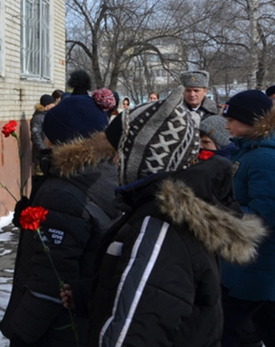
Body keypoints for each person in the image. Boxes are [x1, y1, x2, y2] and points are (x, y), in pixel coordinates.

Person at [82, 87, 266, 347]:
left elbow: (134, 333)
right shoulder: (166, 212)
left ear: (142, 157)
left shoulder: (159, 226)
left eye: (120, 152)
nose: (114, 162)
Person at [0, 92, 121, 347]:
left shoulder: (63, 192)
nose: (43, 140)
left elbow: (51, 279)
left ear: (63, 141)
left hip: (53, 331)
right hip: (79, 325)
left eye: (48, 134)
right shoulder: (101, 174)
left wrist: (21, 333)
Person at [219, 90, 275, 347]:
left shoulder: (263, 158)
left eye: (233, 120)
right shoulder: (249, 151)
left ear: (252, 121)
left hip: (255, 265)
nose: (227, 125)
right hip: (250, 266)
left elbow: (264, 214)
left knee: (224, 328)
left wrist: (220, 212)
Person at [30, 94, 56, 175]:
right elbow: (36, 136)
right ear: (47, 105)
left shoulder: (48, 115)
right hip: (42, 155)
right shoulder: (38, 118)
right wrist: (44, 151)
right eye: (52, 104)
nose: (54, 105)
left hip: (49, 153)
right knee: (41, 177)